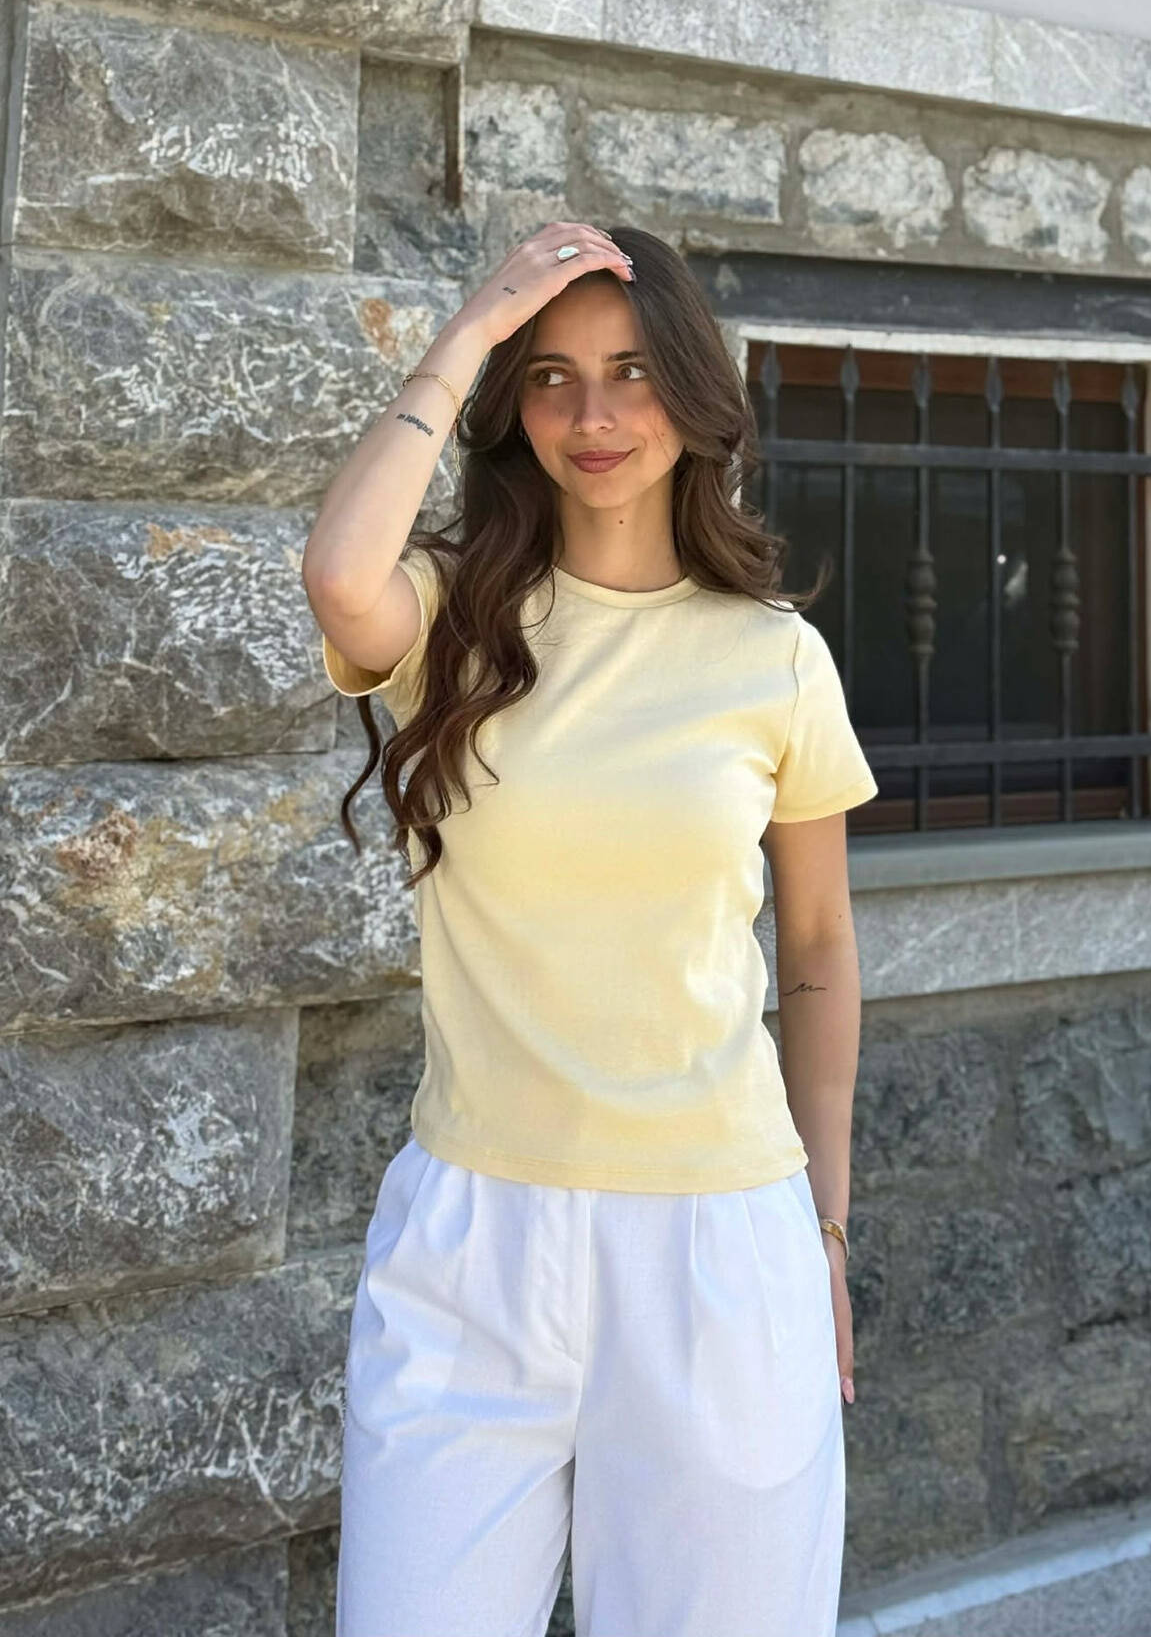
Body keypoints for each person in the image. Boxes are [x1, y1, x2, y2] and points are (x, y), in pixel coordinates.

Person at [302, 221, 878, 1637]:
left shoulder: (775, 657)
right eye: (550, 376)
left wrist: (825, 1229)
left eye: (631, 371)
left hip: (717, 1244)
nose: (594, 414)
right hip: (469, 1239)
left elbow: (816, 951)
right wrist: (468, 333)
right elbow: (339, 576)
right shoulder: (453, 620)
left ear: (692, 390)